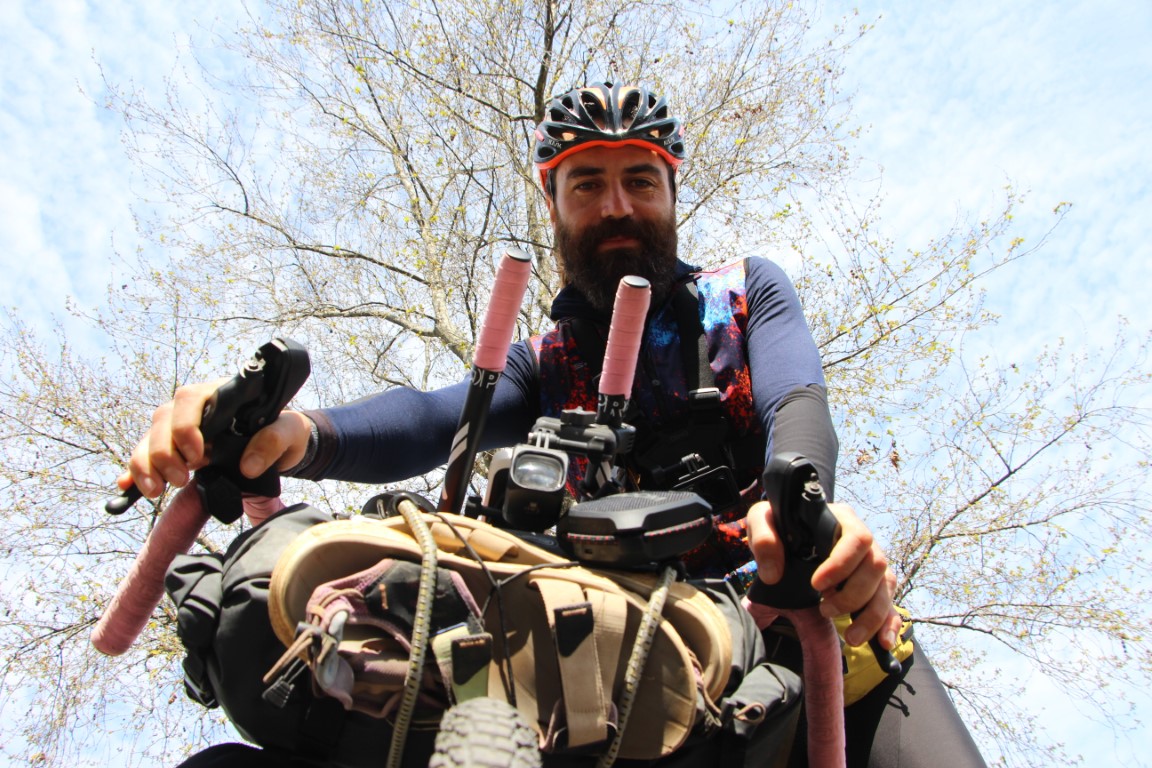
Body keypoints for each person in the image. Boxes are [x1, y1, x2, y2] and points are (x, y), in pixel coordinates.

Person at [123, 82, 984, 767]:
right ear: (555, 206)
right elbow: (432, 418)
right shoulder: (543, 362)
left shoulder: (745, 291)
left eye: (639, 179)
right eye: (587, 183)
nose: (616, 205)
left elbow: (799, 403)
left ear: (672, 195)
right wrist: (294, 435)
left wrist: (800, 500)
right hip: (614, 666)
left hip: (797, 626)